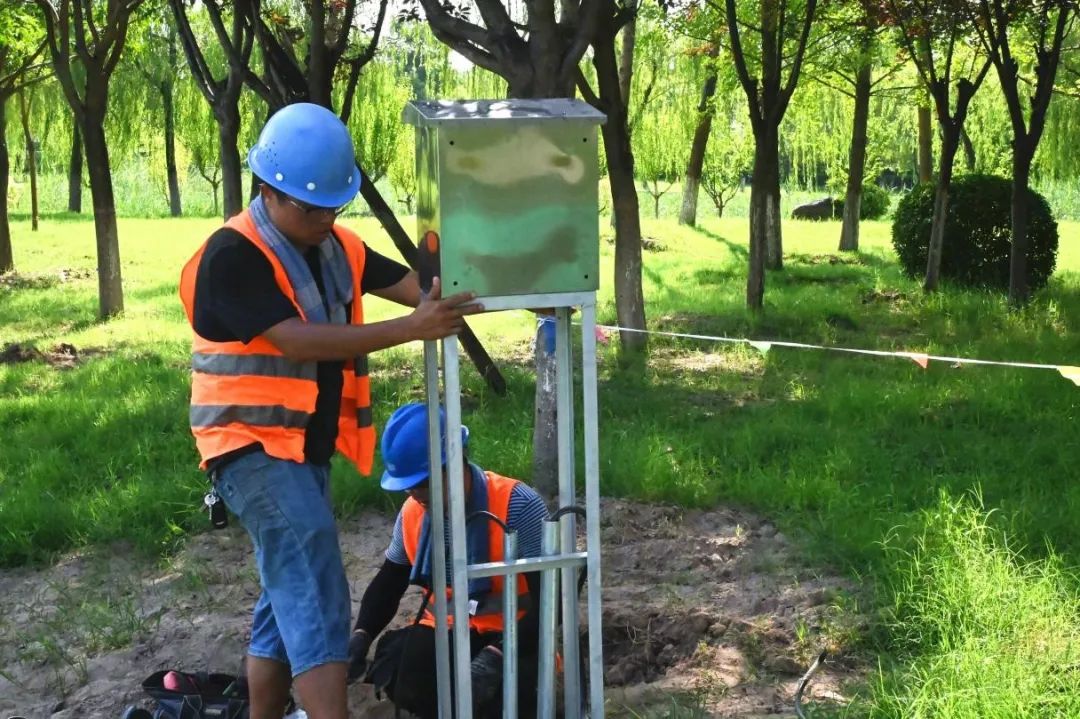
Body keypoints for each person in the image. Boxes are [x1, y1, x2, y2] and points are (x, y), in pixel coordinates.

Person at [177, 102, 482, 719]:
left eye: (334, 207)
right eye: (310, 208)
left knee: (283, 600)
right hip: (248, 449)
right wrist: (411, 328)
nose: (324, 219)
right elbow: (295, 340)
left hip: (300, 451)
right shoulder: (232, 255)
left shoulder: (339, 246)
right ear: (268, 189)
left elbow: (425, 290)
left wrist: (508, 284)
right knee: (317, 586)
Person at [347, 403, 548, 719]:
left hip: (513, 639)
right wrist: (361, 635)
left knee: (508, 696)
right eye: (408, 486)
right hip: (448, 633)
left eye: (423, 483)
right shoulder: (413, 513)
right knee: (398, 663)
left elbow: (553, 603)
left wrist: (497, 656)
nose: (415, 494)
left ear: (455, 462)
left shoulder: (517, 505)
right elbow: (389, 581)